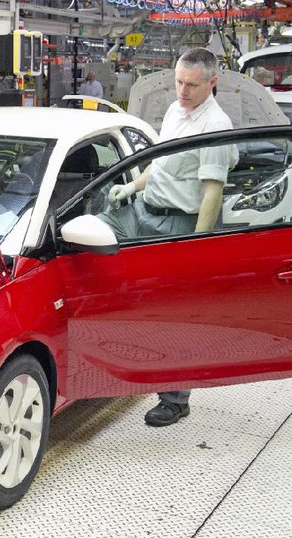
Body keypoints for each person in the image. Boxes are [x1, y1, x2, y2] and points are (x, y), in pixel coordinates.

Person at [107, 47, 238, 427]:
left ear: (212, 83)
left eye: (192, 85)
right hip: (147, 211)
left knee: (175, 314)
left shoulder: (214, 125)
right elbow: (161, 167)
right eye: (179, 81)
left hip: (182, 225)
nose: (182, 90)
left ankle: (175, 399)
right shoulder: (174, 110)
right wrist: (131, 188)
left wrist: (195, 247)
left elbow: (212, 192)